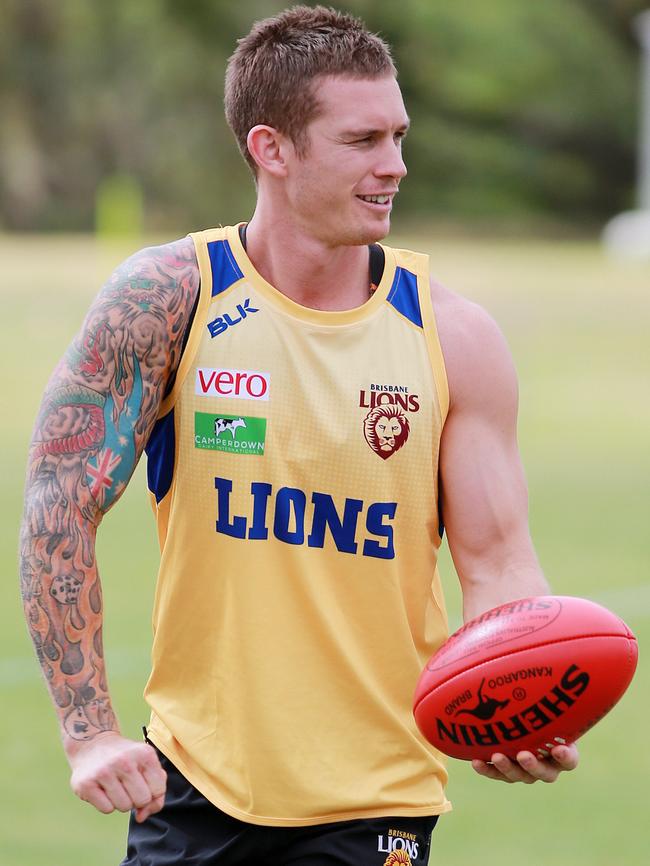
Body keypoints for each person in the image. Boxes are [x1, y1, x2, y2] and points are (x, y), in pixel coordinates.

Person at [19, 6, 579, 865]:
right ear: (271, 149)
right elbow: (59, 502)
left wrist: (520, 702)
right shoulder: (171, 298)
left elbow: (499, 562)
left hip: (377, 799)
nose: (394, 166)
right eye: (362, 141)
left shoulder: (454, 337)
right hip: (195, 788)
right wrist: (88, 731)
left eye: (399, 136)